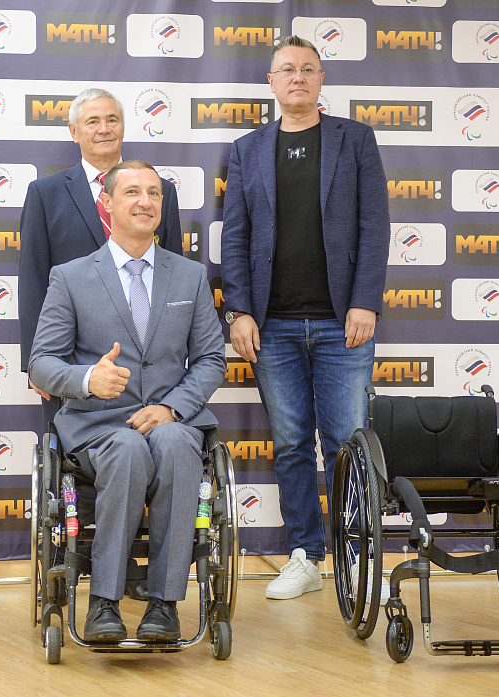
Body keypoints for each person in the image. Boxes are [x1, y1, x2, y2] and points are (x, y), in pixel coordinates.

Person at [221, 36, 391, 601]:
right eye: (287, 69)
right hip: (273, 326)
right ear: (271, 82)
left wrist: (365, 300)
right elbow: (236, 238)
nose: (298, 77)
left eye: (308, 69)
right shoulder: (247, 150)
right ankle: (305, 555)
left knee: (347, 443)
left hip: (344, 323)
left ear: (321, 80)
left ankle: (355, 553)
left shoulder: (355, 139)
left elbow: (375, 226)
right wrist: (240, 311)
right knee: (292, 443)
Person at [29, 160, 226, 643]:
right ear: (108, 203)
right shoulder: (71, 277)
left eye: (154, 193)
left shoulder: (190, 276)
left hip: (170, 420)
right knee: (128, 449)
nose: (145, 201)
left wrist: (171, 408)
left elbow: (210, 359)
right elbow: (41, 363)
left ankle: (164, 604)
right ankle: (104, 603)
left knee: (177, 445)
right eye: (133, 192)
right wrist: (87, 379)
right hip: (99, 427)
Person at [19, 88, 184, 427]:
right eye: (92, 121)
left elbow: (174, 278)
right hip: (73, 364)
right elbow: (33, 281)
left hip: (151, 366)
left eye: (112, 120)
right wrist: (36, 363)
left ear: (123, 126)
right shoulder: (45, 194)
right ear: (74, 131)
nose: (104, 129)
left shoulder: (161, 192)